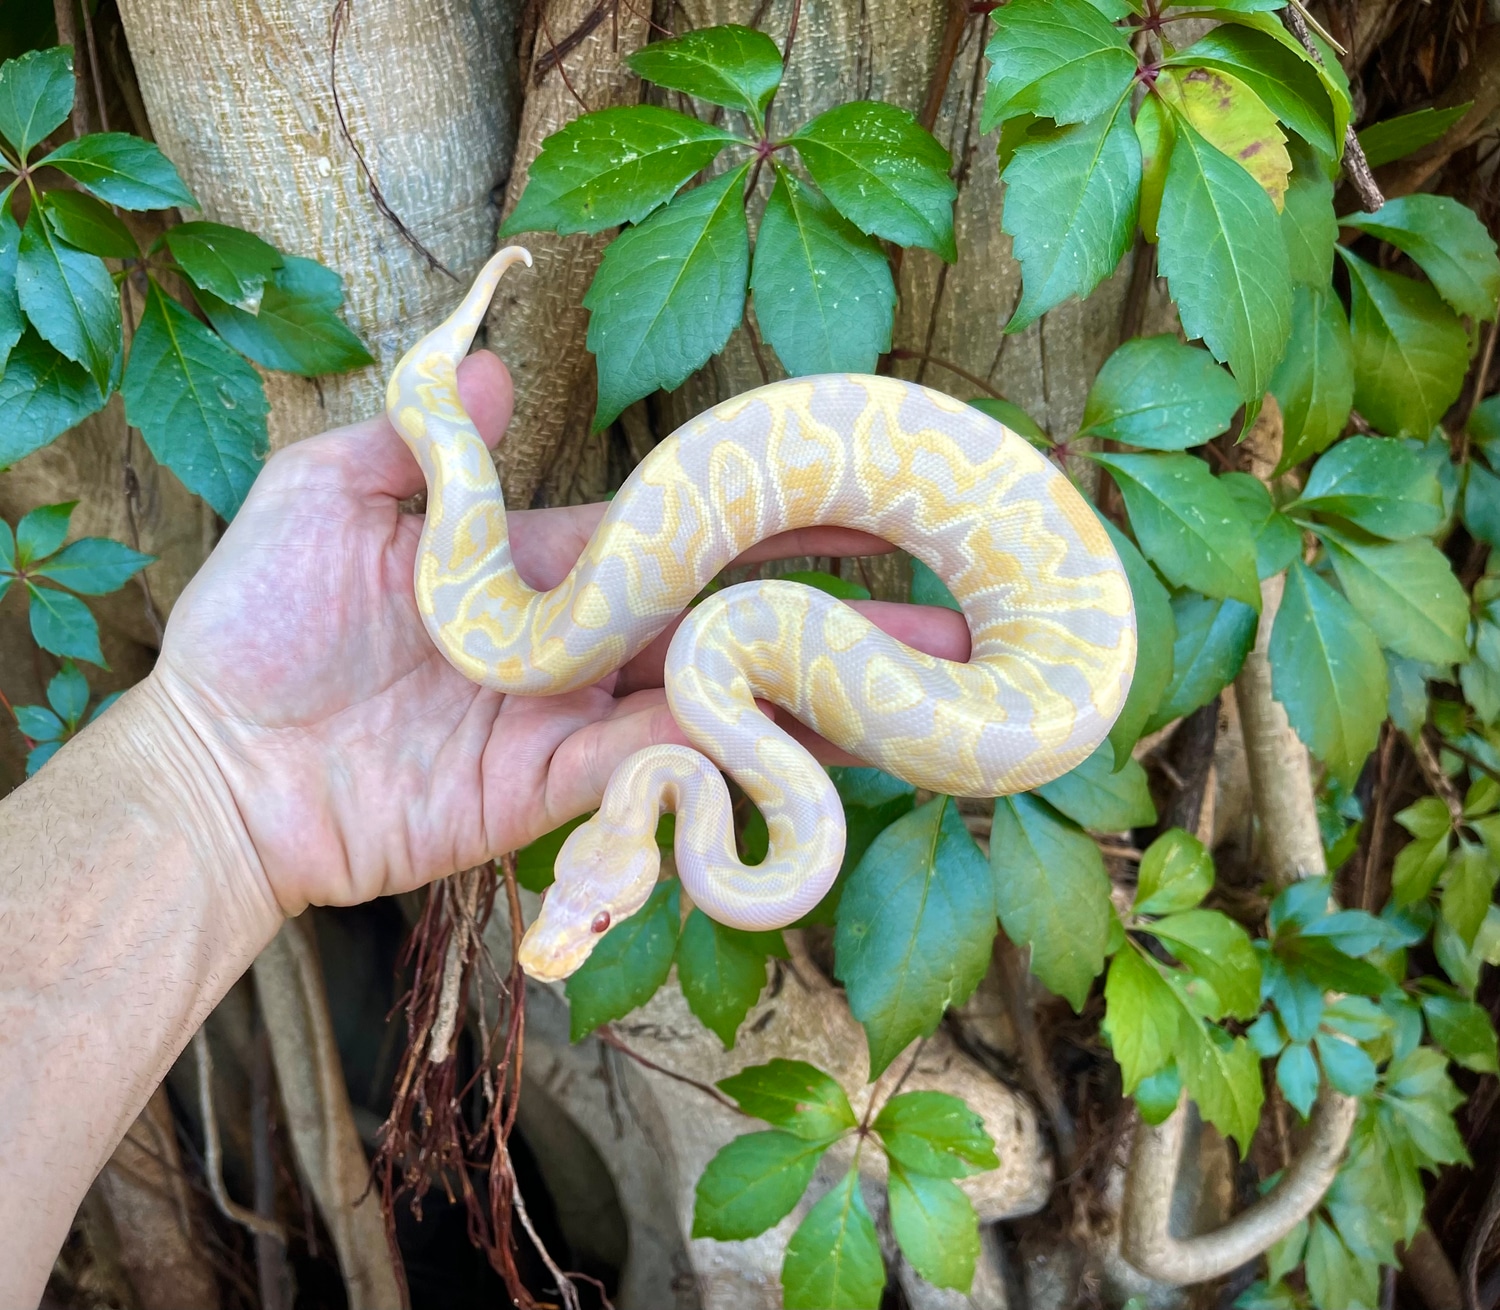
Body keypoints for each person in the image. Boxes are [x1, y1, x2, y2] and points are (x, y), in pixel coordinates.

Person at [0, 351, 971, 1302]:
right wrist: (211, 764)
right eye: (591, 916)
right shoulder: (695, 742)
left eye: (591, 917)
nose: (575, 931)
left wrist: (213, 771)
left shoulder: (685, 764)